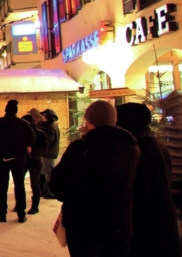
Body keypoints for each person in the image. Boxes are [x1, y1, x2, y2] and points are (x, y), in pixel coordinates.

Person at [51, 100, 140, 256]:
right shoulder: (131, 147)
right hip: (120, 225)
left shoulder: (81, 148)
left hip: (85, 227)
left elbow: (59, 187)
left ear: (89, 120)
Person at [116, 103, 180, 256]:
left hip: (148, 227)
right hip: (163, 222)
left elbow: (139, 195)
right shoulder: (156, 145)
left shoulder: (138, 151)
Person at [0, 100, 35, 223]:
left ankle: (2, 213)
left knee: (3, 186)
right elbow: (32, 137)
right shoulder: (23, 124)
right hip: (18, 157)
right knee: (19, 186)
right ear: (16, 111)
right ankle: (21, 214)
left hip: (2, 157)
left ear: (6, 110)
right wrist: (24, 144)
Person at [21, 114, 48, 215]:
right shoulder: (20, 134)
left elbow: (45, 148)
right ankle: (20, 204)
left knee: (35, 184)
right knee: (19, 183)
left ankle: (35, 206)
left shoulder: (40, 134)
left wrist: (33, 151)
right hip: (22, 160)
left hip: (35, 161)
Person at [39, 108, 60, 199]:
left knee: (49, 172)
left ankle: (49, 191)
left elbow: (48, 141)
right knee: (47, 171)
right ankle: (46, 190)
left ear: (47, 117)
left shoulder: (48, 127)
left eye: (43, 116)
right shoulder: (52, 125)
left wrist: (39, 142)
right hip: (50, 153)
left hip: (48, 153)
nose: (42, 117)